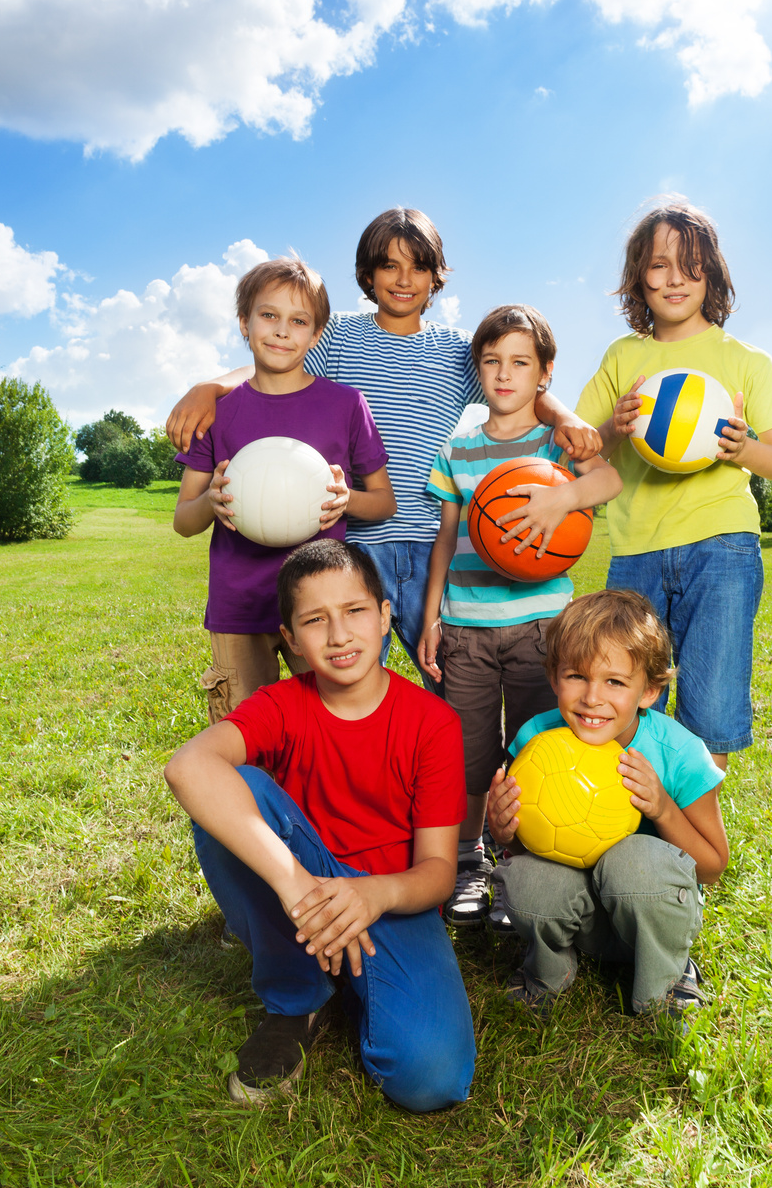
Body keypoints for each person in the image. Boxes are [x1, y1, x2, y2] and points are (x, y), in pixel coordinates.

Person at [165, 209, 601, 687]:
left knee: (450, 678)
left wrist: (563, 416)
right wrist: (209, 386)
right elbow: (270, 366)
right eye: (390, 266)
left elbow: (518, 386)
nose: (404, 279)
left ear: (436, 278)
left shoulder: (457, 351)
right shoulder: (336, 335)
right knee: (354, 684)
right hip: (353, 544)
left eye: (418, 267)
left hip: (431, 541)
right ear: (368, 273)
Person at [164, 538, 476, 1112]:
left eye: (355, 611)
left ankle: (360, 980)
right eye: (315, 620)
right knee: (235, 790)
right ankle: (296, 998)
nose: (338, 635)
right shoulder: (282, 704)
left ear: (385, 617)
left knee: (432, 1078)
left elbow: (436, 872)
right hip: (300, 895)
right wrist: (300, 889)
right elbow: (187, 767)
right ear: (291, 640)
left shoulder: (432, 722)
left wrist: (372, 895)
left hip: (389, 899)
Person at [575, 200, 772, 781]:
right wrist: (612, 428)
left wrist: (743, 448)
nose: (674, 279)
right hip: (635, 550)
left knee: (708, 702)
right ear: (638, 277)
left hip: (721, 547)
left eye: (690, 264)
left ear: (713, 273)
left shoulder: (744, 360)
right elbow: (575, 450)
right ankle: (620, 823)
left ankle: (690, 842)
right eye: (658, 265)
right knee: (620, 696)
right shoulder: (624, 357)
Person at [418, 304, 623, 928]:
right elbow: (446, 539)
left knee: (537, 747)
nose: (504, 375)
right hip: (467, 627)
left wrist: (564, 494)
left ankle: (521, 866)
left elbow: (608, 481)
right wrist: (432, 618)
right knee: (471, 755)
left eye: (520, 363)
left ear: (544, 373)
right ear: (477, 369)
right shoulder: (458, 447)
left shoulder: (553, 442)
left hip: (544, 629)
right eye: (491, 362)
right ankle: (468, 860)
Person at [485, 590, 728, 1020]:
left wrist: (663, 809)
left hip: (652, 912)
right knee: (525, 878)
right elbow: (528, 853)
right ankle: (549, 971)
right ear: (554, 676)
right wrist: (505, 831)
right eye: (576, 675)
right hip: (584, 920)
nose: (592, 697)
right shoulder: (537, 743)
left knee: (634, 860)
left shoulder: (680, 752)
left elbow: (711, 867)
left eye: (615, 681)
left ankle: (666, 982)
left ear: (649, 690)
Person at [173, 255, 395, 721]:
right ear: (244, 323)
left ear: (316, 335)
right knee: (248, 741)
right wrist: (211, 502)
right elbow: (182, 521)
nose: (281, 331)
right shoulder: (218, 413)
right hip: (239, 608)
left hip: (321, 606)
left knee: (331, 731)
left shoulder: (346, 405)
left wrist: (346, 499)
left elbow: (384, 502)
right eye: (268, 315)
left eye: (298, 321)